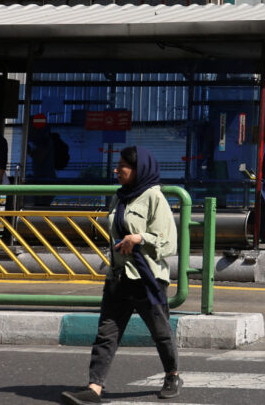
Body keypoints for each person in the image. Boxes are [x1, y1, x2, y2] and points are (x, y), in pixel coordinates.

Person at [61, 147, 180, 404]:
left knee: (160, 332)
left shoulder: (154, 197)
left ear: (138, 169)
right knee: (107, 333)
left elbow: (169, 243)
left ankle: (172, 375)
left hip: (147, 278)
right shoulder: (120, 197)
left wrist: (139, 238)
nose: (117, 170)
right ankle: (94, 388)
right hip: (119, 276)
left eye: (123, 166)